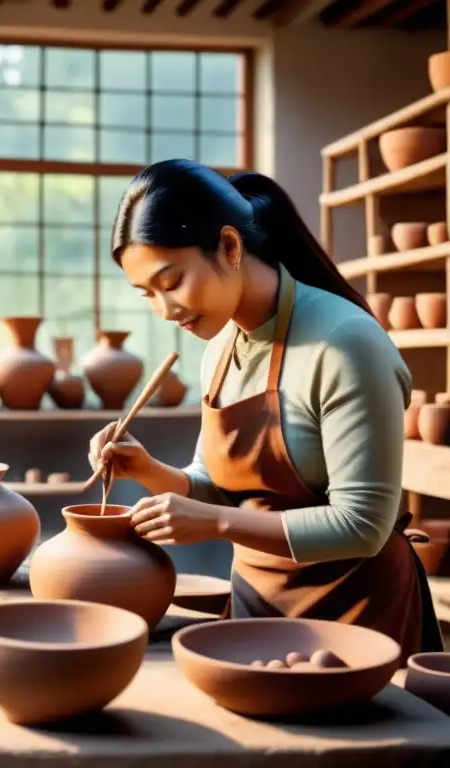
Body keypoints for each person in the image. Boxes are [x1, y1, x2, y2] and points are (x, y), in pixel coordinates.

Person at [89, 159, 443, 662]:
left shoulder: (345, 344)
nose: (164, 310)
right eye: (147, 294)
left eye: (172, 282)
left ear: (230, 247)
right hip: (258, 610)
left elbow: (362, 524)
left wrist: (216, 524)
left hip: (358, 619)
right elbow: (216, 483)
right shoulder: (220, 343)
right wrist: (147, 471)